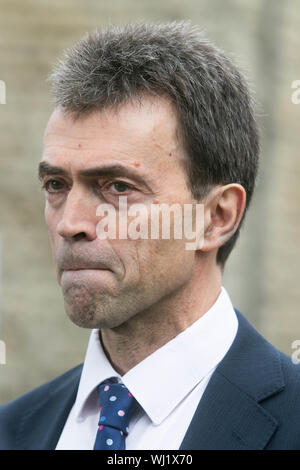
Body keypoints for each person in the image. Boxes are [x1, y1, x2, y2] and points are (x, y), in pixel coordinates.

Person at [0, 21, 299, 451]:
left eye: (118, 187)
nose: (70, 223)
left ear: (216, 217)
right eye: (56, 186)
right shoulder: (14, 430)